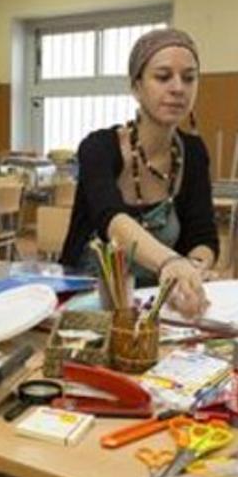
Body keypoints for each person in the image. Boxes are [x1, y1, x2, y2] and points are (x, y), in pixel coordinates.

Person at [59, 28, 219, 319]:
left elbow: (203, 235)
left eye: (189, 77)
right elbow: (113, 222)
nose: (177, 88)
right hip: (86, 305)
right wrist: (171, 263)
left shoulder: (193, 153)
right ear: (136, 87)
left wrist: (193, 271)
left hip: (159, 308)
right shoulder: (98, 148)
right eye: (162, 76)